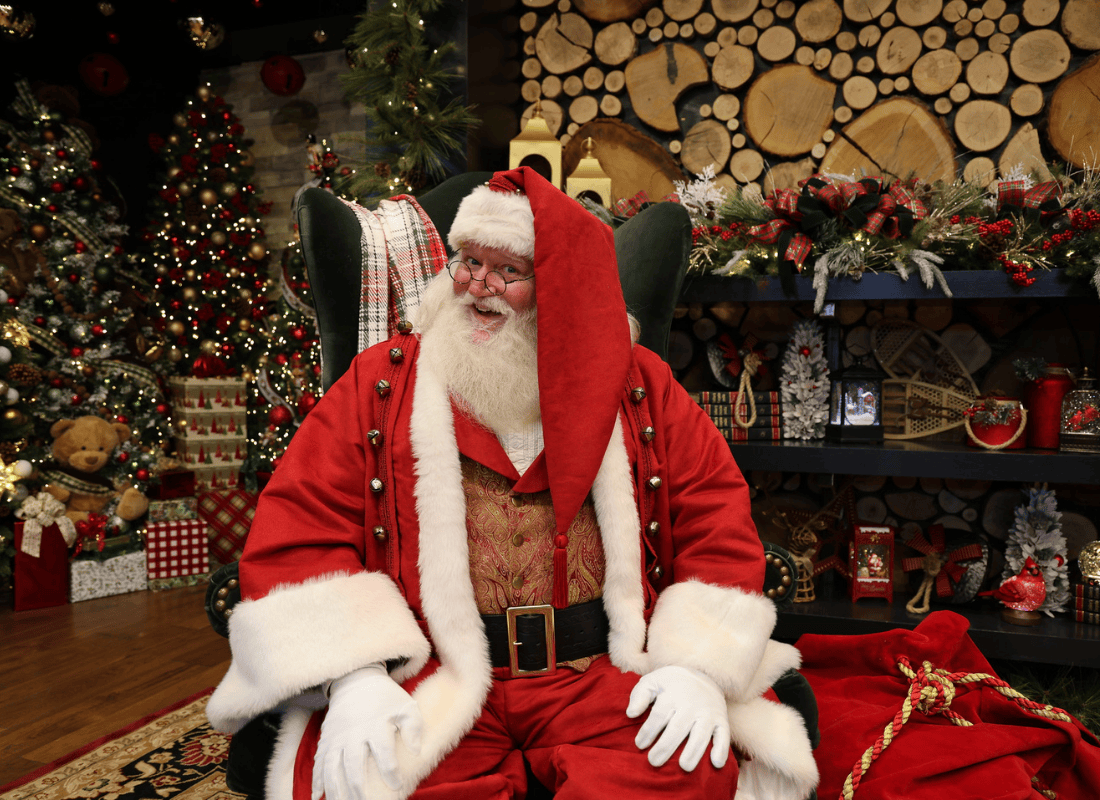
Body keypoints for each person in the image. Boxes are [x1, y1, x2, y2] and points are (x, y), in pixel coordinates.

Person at [206, 167, 818, 800]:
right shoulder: (380, 384)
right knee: (360, 780)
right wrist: (355, 678)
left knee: (684, 771)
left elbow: (713, 516)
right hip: (435, 674)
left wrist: (696, 668)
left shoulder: (638, 385)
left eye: (508, 272)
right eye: (469, 262)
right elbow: (300, 527)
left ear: (560, 290)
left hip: (601, 671)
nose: (478, 288)